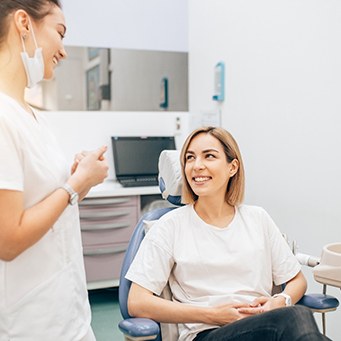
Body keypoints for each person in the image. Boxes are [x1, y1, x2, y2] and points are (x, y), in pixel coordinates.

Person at [126, 126, 330, 341]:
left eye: (209, 156)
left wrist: (280, 301)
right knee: (296, 317)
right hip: (207, 333)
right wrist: (213, 315)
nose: (197, 166)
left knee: (297, 322)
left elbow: (296, 280)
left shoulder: (257, 218)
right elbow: (137, 302)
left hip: (266, 327)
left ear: (232, 167)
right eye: (190, 158)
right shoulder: (169, 226)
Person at [0, 1, 108, 340]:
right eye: (59, 33)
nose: (63, 50)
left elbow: (47, 200)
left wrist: (78, 179)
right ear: (24, 23)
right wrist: (75, 185)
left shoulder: (33, 117)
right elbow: (8, 239)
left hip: (67, 311)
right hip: (30, 323)